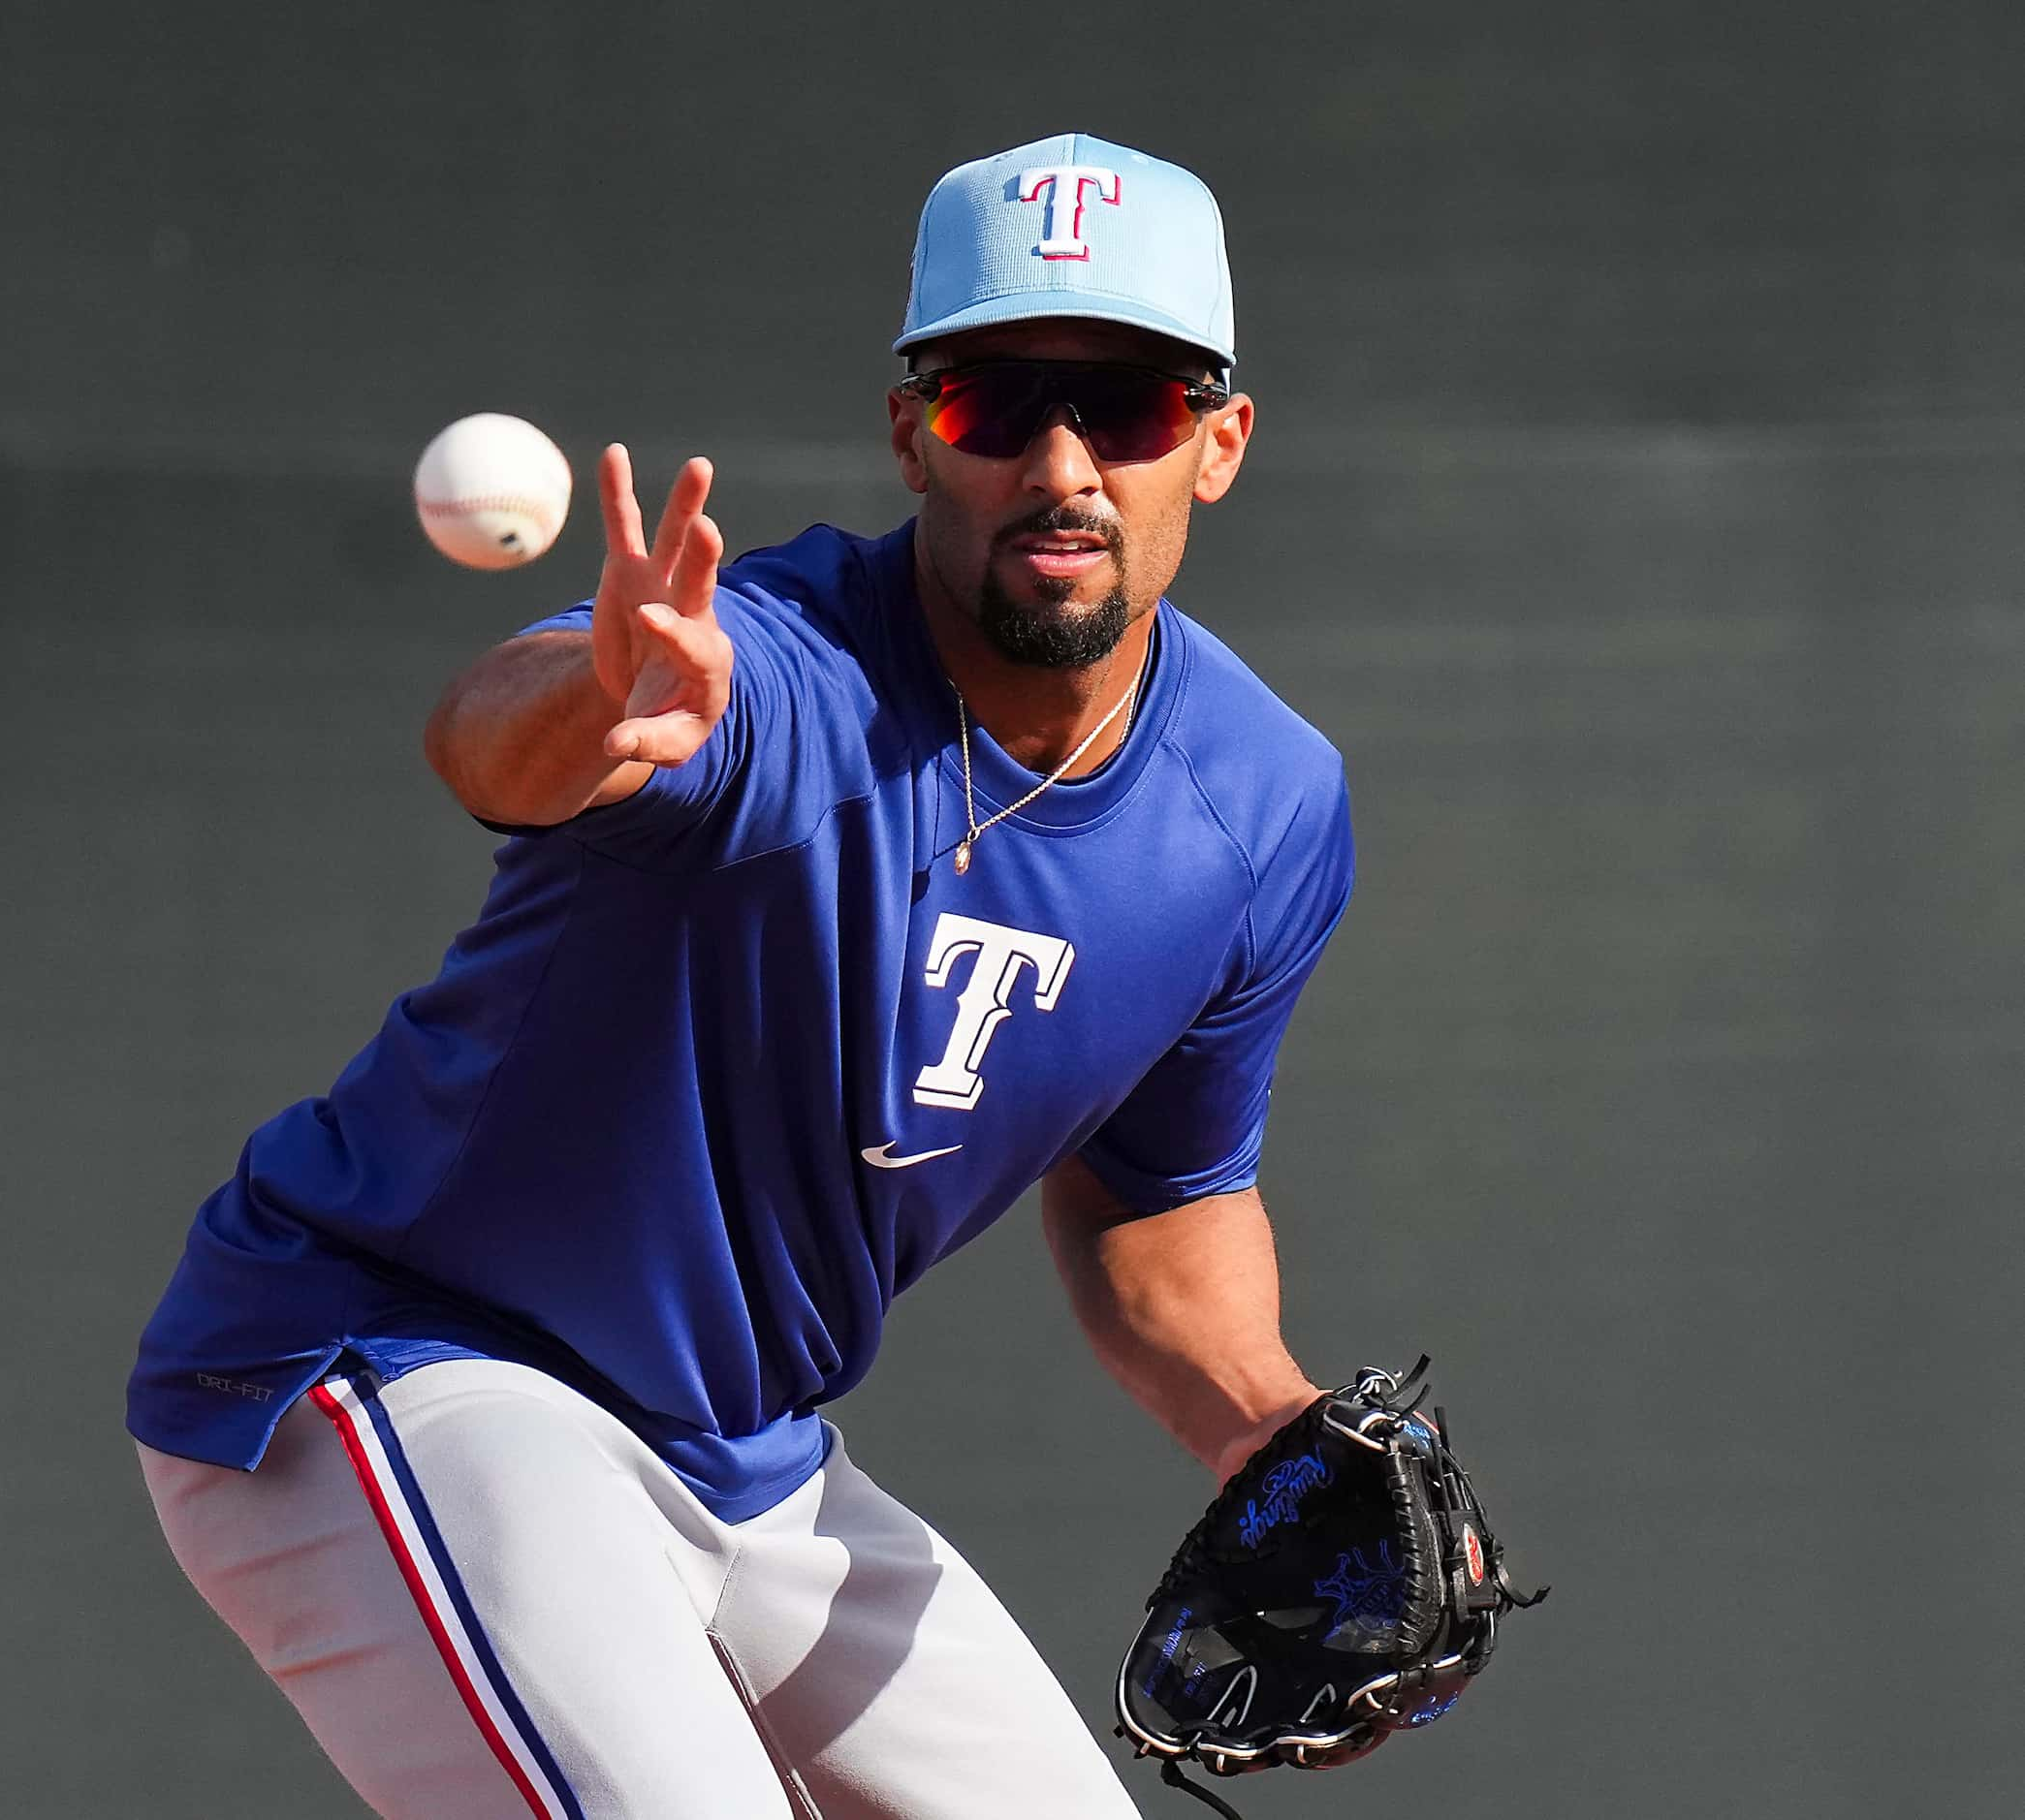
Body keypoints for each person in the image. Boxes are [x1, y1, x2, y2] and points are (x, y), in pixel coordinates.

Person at [128, 132, 1351, 1819]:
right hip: (398, 1361)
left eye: (1127, 407)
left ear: (1214, 444)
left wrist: (1266, 1430)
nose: (1062, 465)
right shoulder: (767, 672)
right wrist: (594, 702)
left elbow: (1159, 1213)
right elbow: (499, 735)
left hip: (740, 1456)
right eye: (996, 401)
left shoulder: (1260, 811)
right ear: (913, 434)